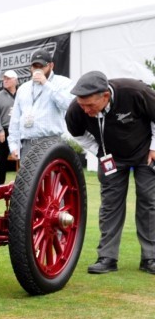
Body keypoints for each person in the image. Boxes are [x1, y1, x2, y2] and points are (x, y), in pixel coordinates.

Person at [65, 71, 155, 275]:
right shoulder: (76, 110)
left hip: (144, 154)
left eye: (90, 105)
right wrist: (99, 151)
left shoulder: (135, 91)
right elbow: (77, 134)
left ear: (105, 96)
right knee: (110, 206)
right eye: (82, 105)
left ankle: (150, 258)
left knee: (148, 202)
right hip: (111, 159)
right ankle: (107, 257)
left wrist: (154, 147)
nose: (86, 110)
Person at [8, 48, 73, 161]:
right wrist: (13, 144)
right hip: (27, 144)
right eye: (35, 67)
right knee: (27, 179)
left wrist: (46, 83)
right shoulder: (23, 89)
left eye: (41, 66)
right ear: (30, 68)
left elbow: (67, 104)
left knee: (51, 176)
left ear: (51, 66)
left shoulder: (63, 83)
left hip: (51, 143)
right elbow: (15, 119)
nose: (37, 70)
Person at [0, 70, 18, 184]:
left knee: (23, 155)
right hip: (5, 130)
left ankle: (23, 182)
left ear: (15, 80)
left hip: (20, 130)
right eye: (4, 78)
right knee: (2, 156)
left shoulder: (21, 93)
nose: (5, 80)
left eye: (8, 78)